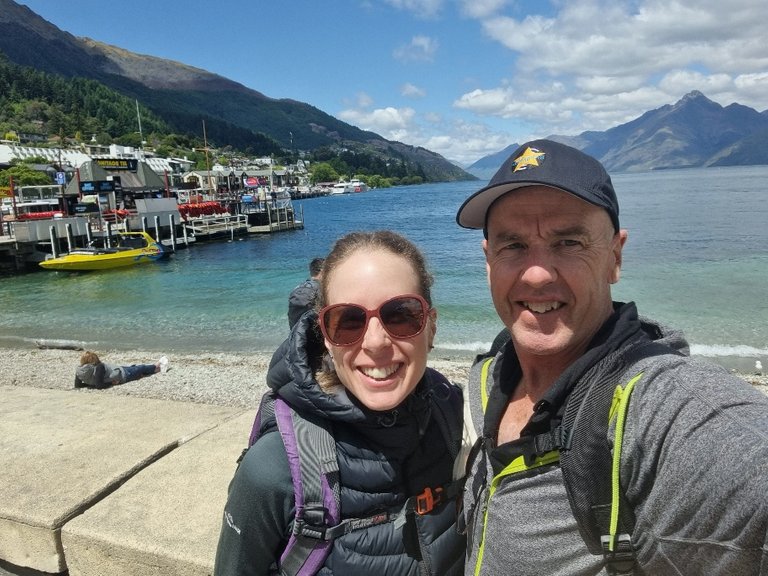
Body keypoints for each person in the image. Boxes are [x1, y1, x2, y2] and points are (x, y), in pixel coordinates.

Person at [456, 139, 768, 575]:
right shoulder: (487, 376)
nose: (538, 273)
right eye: (513, 246)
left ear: (615, 257)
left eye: (568, 242)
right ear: (488, 261)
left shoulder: (658, 405)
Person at [215, 230, 468, 575]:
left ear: (431, 327)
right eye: (348, 321)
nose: (376, 342)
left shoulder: (456, 419)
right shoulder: (275, 469)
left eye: (401, 315)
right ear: (326, 338)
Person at [74, 350, 169, 389]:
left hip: (117, 370)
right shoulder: (99, 367)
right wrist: (111, 383)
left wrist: (90, 384)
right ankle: (158, 364)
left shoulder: (79, 370)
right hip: (123, 375)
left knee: (134, 368)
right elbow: (99, 385)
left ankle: (158, 369)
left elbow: (78, 385)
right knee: (141, 368)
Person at [287, 257, 324, 328]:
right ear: (323, 271)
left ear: (311, 271)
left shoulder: (297, 288)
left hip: (294, 334)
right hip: (314, 335)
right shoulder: (322, 290)